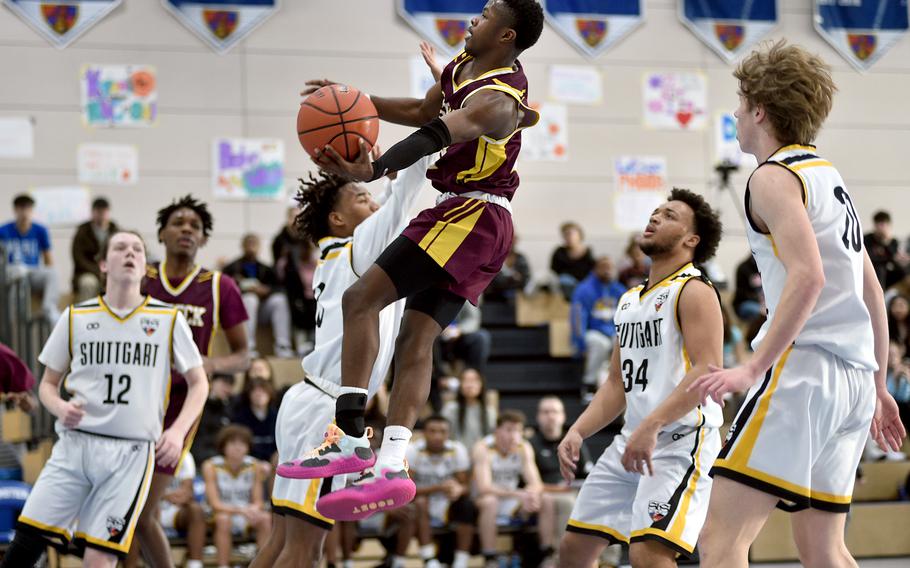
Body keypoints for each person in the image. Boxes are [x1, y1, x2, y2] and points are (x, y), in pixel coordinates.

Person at [282, 0, 546, 521]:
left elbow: (434, 135)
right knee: (415, 339)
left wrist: (374, 168)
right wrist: (353, 101)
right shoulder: (462, 69)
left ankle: (351, 436)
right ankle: (392, 464)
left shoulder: (500, 100)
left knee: (360, 301)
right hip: (477, 222)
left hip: (472, 215)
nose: (476, 14)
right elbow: (421, 111)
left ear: (507, 34)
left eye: (488, 11)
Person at [689, 41, 907, 568]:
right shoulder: (828, 177)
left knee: (720, 541)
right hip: (853, 383)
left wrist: (752, 368)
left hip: (803, 372)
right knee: (824, 549)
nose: (737, 115)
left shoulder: (771, 177)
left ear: (760, 109)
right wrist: (877, 383)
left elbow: (807, 278)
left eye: (741, 104)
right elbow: (870, 289)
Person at [250, 158, 432, 568]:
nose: (372, 201)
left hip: (308, 399)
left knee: (282, 539)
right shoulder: (360, 246)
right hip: (326, 412)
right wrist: (423, 143)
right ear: (337, 218)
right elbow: (402, 197)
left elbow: (390, 198)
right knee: (304, 548)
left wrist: (381, 178)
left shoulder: (337, 254)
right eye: (361, 197)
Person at [0, 230, 208, 568]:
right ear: (103, 265)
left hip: (131, 453)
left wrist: (176, 431)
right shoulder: (75, 317)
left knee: (99, 559)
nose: (130, 253)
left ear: (144, 267)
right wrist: (59, 406)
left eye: (137, 249)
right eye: (120, 247)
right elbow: (47, 386)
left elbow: (199, 384)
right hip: (75, 446)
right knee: (26, 544)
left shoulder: (168, 319)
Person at [557, 188, 725, 568]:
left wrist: (651, 424)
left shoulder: (694, 290)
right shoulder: (630, 298)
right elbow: (616, 383)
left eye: (668, 216)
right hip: (632, 440)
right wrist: (578, 431)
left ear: (690, 239)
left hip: (680, 441)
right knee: (573, 550)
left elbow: (707, 371)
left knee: (648, 555)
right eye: (655, 212)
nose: (654, 218)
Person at [136, 195, 250, 568]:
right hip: (133, 399)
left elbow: (244, 355)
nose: (187, 229)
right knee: (126, 512)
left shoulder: (220, 286)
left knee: (141, 511)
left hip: (181, 407)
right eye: (178, 223)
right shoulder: (141, 278)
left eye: (195, 227)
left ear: (202, 240)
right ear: (161, 234)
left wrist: (211, 363)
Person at [473, 409, 553, 568]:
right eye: (509, 430)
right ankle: (490, 558)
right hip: (483, 499)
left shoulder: (524, 447)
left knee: (546, 499)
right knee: (490, 502)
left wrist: (532, 494)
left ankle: (547, 555)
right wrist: (519, 493)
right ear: (497, 430)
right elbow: (484, 487)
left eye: (518, 430)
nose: (514, 435)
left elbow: (536, 482)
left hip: (511, 498)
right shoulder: (483, 447)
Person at [404, 415, 474, 568]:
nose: (437, 436)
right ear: (423, 433)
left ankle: (461, 561)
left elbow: (466, 487)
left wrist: (458, 489)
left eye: (442, 431)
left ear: (448, 433)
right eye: (432, 431)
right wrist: (438, 488)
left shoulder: (457, 450)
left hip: (447, 503)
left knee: (467, 505)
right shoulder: (413, 451)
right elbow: (406, 491)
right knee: (420, 503)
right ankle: (429, 559)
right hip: (422, 501)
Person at [529, 396, 592, 559]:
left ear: (563, 416)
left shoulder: (574, 442)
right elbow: (528, 482)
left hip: (572, 489)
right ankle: (560, 556)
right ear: (538, 416)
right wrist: (556, 488)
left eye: (555, 412)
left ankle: (605, 558)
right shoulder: (530, 444)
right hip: (545, 493)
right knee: (562, 502)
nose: (550, 416)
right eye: (545, 412)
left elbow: (587, 475)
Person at [202, 425, 271, 568]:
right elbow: (215, 504)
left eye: (242, 443)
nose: (238, 447)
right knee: (223, 520)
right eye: (233, 443)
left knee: (265, 518)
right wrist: (241, 510)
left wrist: (253, 509)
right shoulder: (211, 466)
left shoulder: (254, 465)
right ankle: (223, 565)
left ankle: (264, 565)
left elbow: (258, 500)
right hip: (220, 513)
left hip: (244, 513)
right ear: (223, 446)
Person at [126, 453, 205, 568]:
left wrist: (167, 495)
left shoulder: (184, 455)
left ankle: (195, 564)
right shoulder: (142, 450)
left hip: (173, 510)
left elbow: (187, 491)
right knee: (142, 513)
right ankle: (132, 565)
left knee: (196, 510)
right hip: (146, 509)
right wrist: (163, 495)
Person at [223, 233, 294, 358]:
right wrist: (244, 289)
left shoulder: (266, 269)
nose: (251, 246)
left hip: (262, 310)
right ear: (242, 246)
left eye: (254, 243)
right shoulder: (231, 268)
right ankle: (248, 347)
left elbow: (279, 288)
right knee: (250, 299)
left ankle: (283, 346)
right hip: (242, 311)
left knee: (280, 300)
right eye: (248, 243)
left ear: (259, 246)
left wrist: (266, 290)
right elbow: (224, 290)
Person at [570, 256, 627, 394]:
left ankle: (624, 384)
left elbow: (627, 316)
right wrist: (580, 343)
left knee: (623, 344)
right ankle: (589, 384)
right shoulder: (584, 289)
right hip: (592, 331)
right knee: (600, 344)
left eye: (610, 268)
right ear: (595, 269)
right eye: (603, 267)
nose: (607, 271)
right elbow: (577, 318)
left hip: (614, 333)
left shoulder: (619, 290)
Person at [0, 193, 59, 323]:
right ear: (15, 210)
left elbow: (48, 258)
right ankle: (14, 318)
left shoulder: (40, 230)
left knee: (52, 274)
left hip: (32, 271)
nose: (24, 212)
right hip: (12, 273)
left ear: (32, 210)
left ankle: (48, 308)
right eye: (21, 208)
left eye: (28, 208)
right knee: (16, 276)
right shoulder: (3, 231)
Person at [71, 197, 118, 302]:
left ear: (108, 212)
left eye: (104, 211)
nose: (101, 215)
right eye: (98, 211)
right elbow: (78, 258)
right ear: (93, 212)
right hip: (87, 272)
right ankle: (84, 315)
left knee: (119, 284)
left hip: (111, 272)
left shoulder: (116, 231)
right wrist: (97, 271)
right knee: (89, 283)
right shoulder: (82, 231)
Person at [441, 368, 497, 452]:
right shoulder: (450, 409)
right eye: (465, 380)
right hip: (455, 455)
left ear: (481, 385)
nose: (469, 385)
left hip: (481, 455)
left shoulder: (489, 411)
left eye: (474, 380)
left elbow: (493, 438)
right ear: (460, 385)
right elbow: (443, 435)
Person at [231, 372, 278, 462]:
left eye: (263, 391)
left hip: (273, 461)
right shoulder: (240, 417)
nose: (259, 394)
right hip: (248, 460)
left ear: (269, 394)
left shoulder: (277, 416)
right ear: (249, 395)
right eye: (255, 391)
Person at [435, 302, 492, 376]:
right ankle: (439, 377)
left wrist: (459, 330)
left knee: (482, 337)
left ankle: (473, 377)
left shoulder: (462, 294)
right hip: (436, 335)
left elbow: (473, 319)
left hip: (459, 335)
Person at [550, 221, 596, 300]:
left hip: (583, 285)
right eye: (565, 235)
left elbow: (592, 272)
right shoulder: (559, 252)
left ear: (579, 235)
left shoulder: (588, 252)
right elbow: (554, 271)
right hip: (565, 288)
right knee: (564, 280)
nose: (568, 237)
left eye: (570, 234)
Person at [864, 210, 906, 289]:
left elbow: (894, 261)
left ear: (889, 226)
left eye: (883, 224)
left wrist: (886, 242)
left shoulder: (893, 242)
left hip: (886, 275)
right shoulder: (867, 239)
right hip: (870, 272)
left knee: (903, 270)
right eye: (878, 224)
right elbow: (869, 258)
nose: (881, 228)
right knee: (880, 269)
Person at [484, 234, 531, 303]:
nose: (510, 243)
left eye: (512, 240)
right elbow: (491, 281)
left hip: (516, 300)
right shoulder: (493, 258)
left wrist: (505, 280)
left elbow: (525, 280)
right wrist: (513, 278)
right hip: (494, 299)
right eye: (508, 240)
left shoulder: (521, 258)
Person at [731, 255, 763, 323]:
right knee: (761, 312)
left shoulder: (762, 267)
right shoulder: (743, 268)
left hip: (759, 303)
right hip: (743, 303)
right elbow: (741, 293)